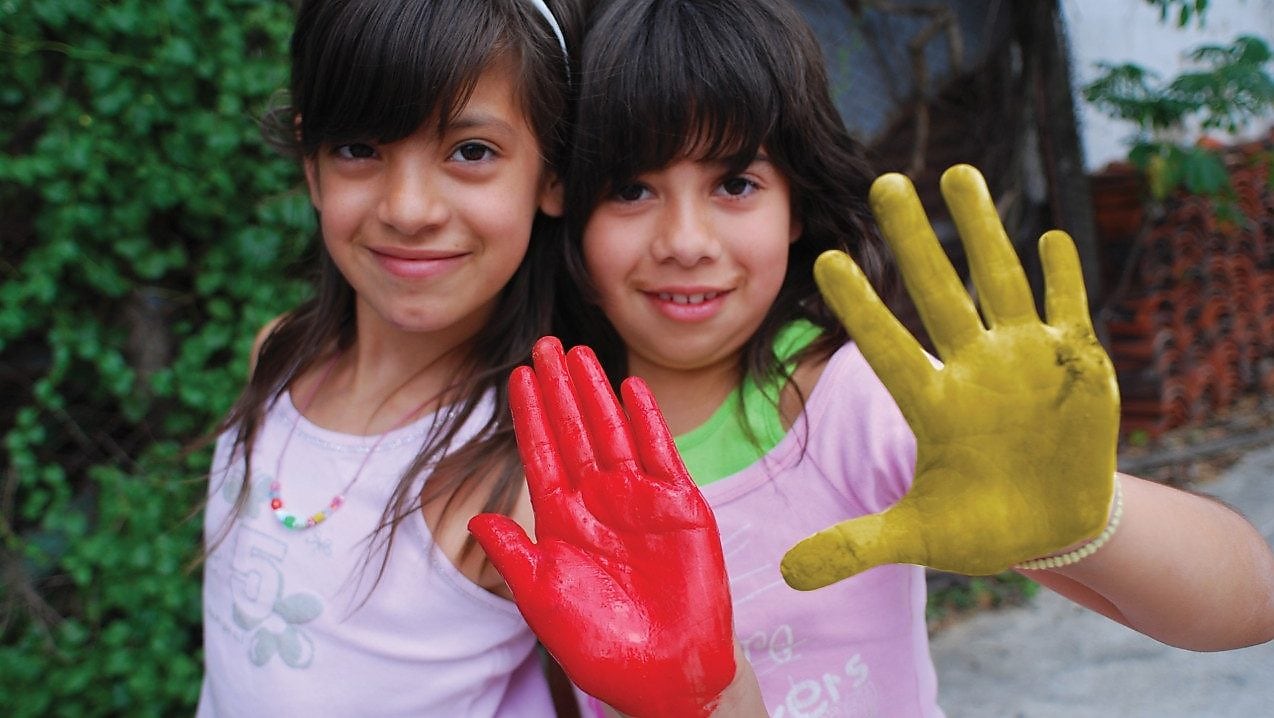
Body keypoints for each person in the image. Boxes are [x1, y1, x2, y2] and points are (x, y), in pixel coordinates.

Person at [471, 0, 1274, 716]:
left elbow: (1248, 607)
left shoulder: (844, 400)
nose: (686, 242)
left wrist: (1091, 517)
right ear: (565, 206)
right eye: (632, 190)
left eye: (736, 183)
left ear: (796, 206)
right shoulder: (542, 442)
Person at [196, 0, 587, 715]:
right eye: (360, 149)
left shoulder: (526, 479)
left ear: (552, 172)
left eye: (471, 151)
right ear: (311, 164)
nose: (409, 209)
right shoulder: (278, 358)